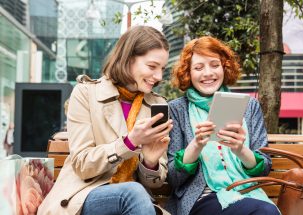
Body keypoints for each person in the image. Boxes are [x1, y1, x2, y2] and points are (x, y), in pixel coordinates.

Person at [38, 26, 173, 215]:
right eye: (152, 67)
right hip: (84, 195)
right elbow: (82, 165)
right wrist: (129, 143)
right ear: (128, 59)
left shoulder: (158, 105)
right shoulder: (85, 93)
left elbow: (156, 183)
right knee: (132, 192)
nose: (158, 77)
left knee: (135, 192)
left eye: (162, 69)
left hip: (137, 202)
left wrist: (150, 164)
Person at [166, 36, 280, 215]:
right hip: (200, 199)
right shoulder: (177, 109)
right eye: (198, 67)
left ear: (224, 67)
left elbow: (264, 166)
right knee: (265, 213)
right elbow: (173, 178)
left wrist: (240, 149)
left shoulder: (249, 106)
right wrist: (196, 146)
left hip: (246, 193)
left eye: (214, 65)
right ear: (188, 72)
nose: (208, 73)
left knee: (264, 211)